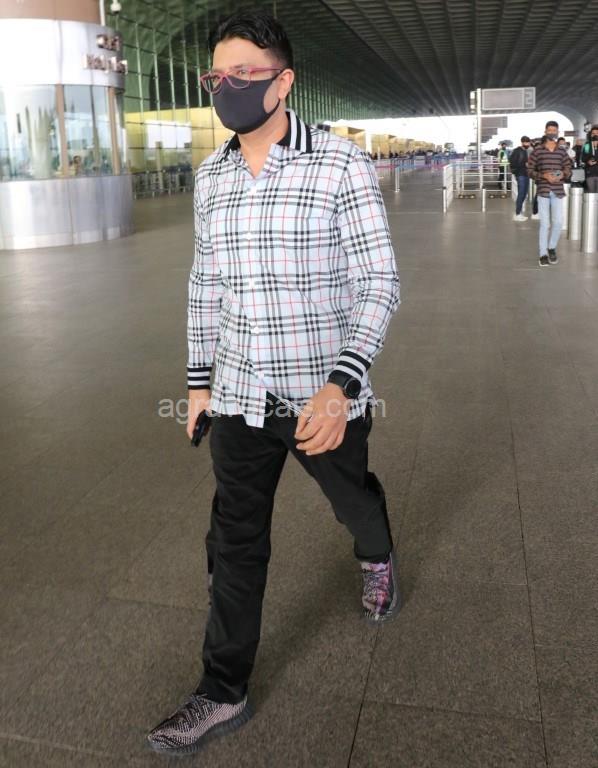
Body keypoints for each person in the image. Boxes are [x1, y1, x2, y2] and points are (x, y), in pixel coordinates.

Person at [147, 9, 401, 757]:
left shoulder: (340, 164)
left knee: (353, 499)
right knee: (234, 539)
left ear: (283, 82)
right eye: (216, 77)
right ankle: (222, 689)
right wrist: (198, 383)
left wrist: (342, 384)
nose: (226, 87)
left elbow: (379, 282)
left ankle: (377, 555)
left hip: (322, 395)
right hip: (238, 392)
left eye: (243, 74)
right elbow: (206, 286)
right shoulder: (211, 177)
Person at [527, 120, 572, 266]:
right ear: (545, 131)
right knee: (545, 224)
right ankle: (543, 254)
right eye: (550, 130)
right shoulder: (537, 151)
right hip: (543, 191)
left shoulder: (562, 151)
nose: (552, 132)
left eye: (554, 130)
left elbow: (568, 168)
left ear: (558, 132)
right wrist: (543, 176)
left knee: (558, 222)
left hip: (558, 190)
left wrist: (562, 174)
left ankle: (551, 247)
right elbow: (530, 170)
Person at [510, 135, 532, 220]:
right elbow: (512, 163)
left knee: (524, 194)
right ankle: (517, 213)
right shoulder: (517, 151)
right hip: (520, 175)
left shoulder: (525, 151)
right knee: (521, 194)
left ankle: (519, 213)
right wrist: (524, 164)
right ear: (522, 142)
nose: (527, 144)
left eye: (528, 143)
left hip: (526, 174)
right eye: (526, 142)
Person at [581, 125, 598, 192]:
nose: (595, 135)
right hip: (590, 173)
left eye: (597, 133)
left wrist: (596, 148)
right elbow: (583, 158)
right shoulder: (587, 145)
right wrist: (588, 161)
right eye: (593, 133)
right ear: (590, 135)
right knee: (591, 194)